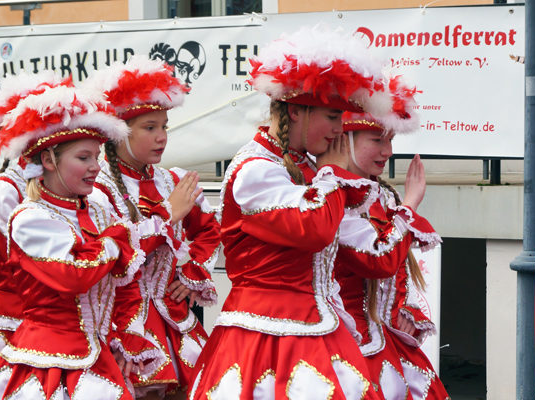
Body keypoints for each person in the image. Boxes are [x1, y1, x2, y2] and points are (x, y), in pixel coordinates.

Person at [187, 26, 395, 399]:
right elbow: (313, 229)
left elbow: (371, 253)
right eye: (332, 117)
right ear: (296, 111)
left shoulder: (309, 169)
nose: (339, 129)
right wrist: (332, 176)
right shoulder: (255, 170)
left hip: (320, 329)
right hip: (263, 336)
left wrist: (401, 212)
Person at [0, 84, 153, 399]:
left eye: (97, 156)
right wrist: (115, 241)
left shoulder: (100, 211)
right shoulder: (30, 218)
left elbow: (128, 284)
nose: (96, 167)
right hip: (47, 365)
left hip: (101, 360)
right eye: (83, 157)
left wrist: (125, 339)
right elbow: (75, 275)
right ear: (49, 161)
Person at [87, 55, 220, 399]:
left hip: (174, 320)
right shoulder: (98, 189)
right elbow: (118, 254)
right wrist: (167, 214)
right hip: (124, 324)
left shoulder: (171, 179)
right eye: (150, 128)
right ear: (119, 131)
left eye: (164, 127)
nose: (161, 137)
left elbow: (209, 229)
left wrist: (190, 274)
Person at [335, 84, 449, 399]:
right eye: (377, 140)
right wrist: (409, 207)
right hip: (342, 347)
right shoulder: (333, 197)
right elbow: (377, 261)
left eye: (391, 141)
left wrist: (404, 309)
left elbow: (396, 273)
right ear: (345, 138)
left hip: (385, 345)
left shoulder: (385, 197)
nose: (388, 152)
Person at [0, 71, 72, 367]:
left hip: (59, 318)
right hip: (15, 317)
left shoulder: (62, 182)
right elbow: (33, 259)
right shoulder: (5, 190)